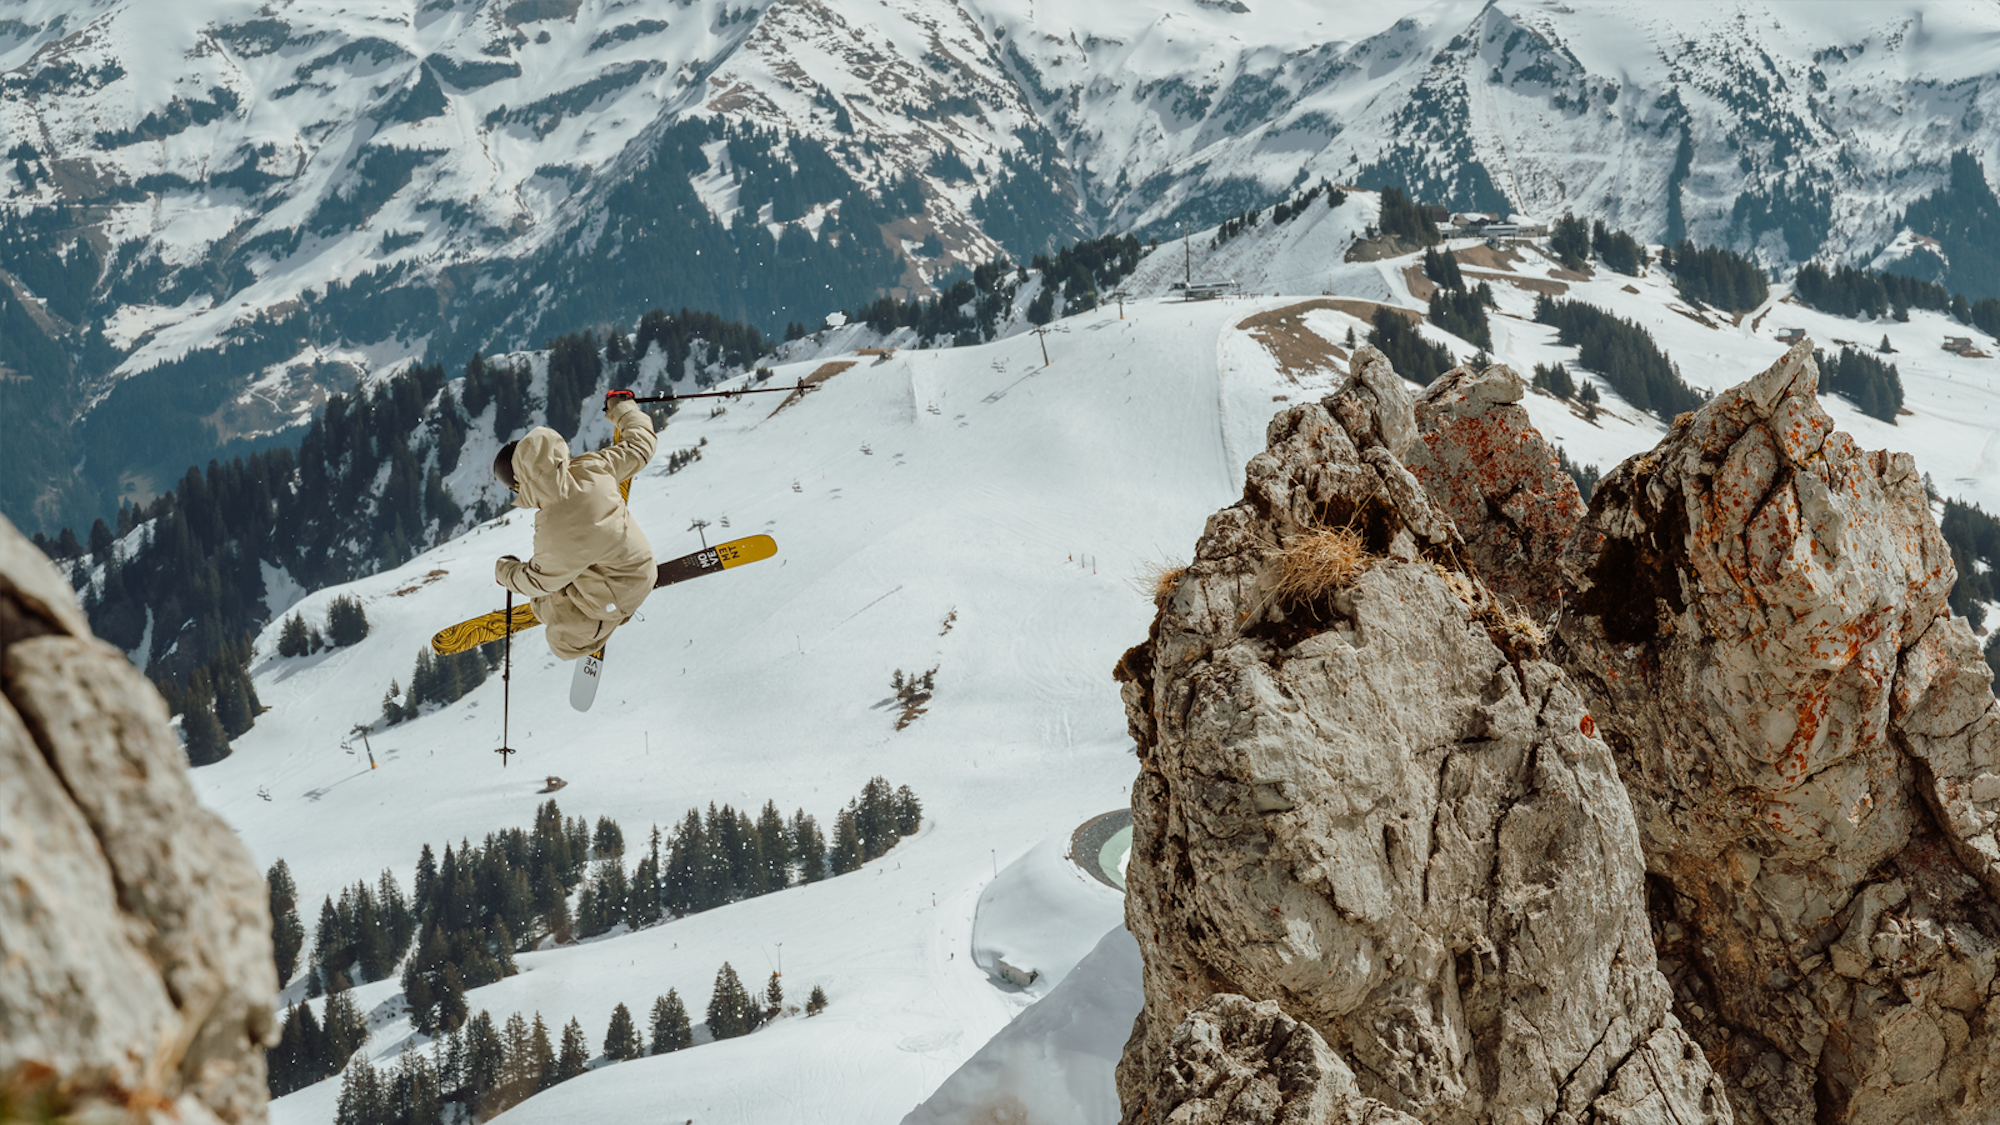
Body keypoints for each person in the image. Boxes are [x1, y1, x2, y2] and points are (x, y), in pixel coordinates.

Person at [493, 390, 659, 659]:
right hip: (636, 564)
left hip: (620, 593)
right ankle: (568, 601)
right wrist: (623, 408)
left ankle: (592, 621)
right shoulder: (593, 466)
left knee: (561, 642)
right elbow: (639, 446)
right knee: (565, 568)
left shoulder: (556, 527)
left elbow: (537, 580)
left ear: (520, 484)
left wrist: (505, 571)